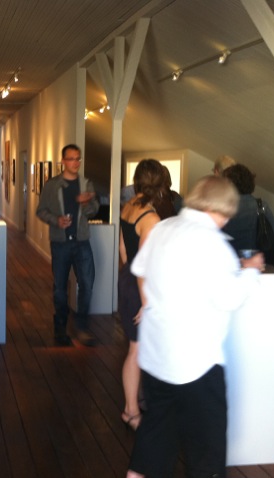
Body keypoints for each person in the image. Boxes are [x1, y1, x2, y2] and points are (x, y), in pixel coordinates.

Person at [126, 175, 264, 478]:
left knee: (156, 434)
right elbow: (229, 298)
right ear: (221, 207)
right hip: (196, 363)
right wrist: (251, 271)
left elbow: (140, 269)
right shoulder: (212, 243)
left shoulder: (163, 228)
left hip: (156, 355)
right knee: (206, 449)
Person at [36, 144, 99, 347]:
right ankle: (61, 328)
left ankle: (81, 327)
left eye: (78, 158)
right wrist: (56, 220)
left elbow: (94, 210)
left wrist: (86, 203)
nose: (75, 162)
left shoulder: (86, 184)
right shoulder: (52, 185)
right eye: (71, 159)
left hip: (82, 242)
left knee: (87, 284)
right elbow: (41, 210)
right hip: (61, 243)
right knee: (60, 288)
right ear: (63, 161)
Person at [118, 159, 163, 431]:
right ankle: (131, 411)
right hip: (140, 288)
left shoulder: (128, 206)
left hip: (128, 280)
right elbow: (144, 266)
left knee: (136, 348)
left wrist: (129, 278)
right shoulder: (151, 218)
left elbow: (124, 251)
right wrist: (146, 303)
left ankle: (135, 404)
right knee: (136, 350)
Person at [221, 164, 274, 259]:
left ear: (230, 184)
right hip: (255, 261)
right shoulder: (262, 206)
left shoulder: (221, 207)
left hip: (228, 260)